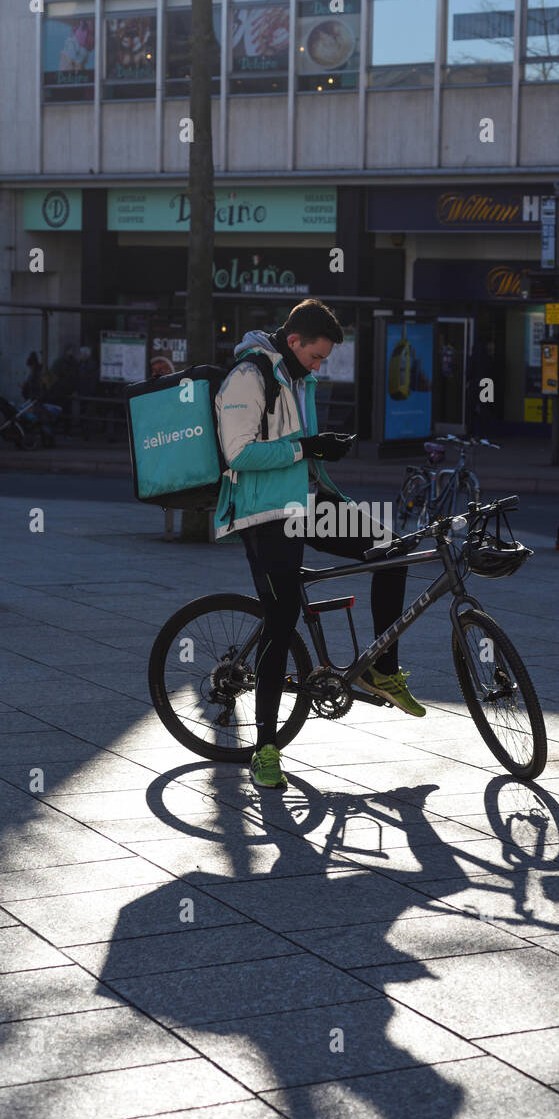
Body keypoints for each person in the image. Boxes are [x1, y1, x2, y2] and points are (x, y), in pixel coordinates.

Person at [214, 298, 426, 791]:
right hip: (263, 514)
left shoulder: (297, 380)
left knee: (391, 548)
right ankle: (265, 748)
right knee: (282, 619)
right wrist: (307, 446)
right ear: (294, 342)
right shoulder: (249, 376)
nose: (320, 365)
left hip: (303, 505)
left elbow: (299, 452)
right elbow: (238, 452)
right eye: (316, 356)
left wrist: (322, 459)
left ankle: (380, 670)